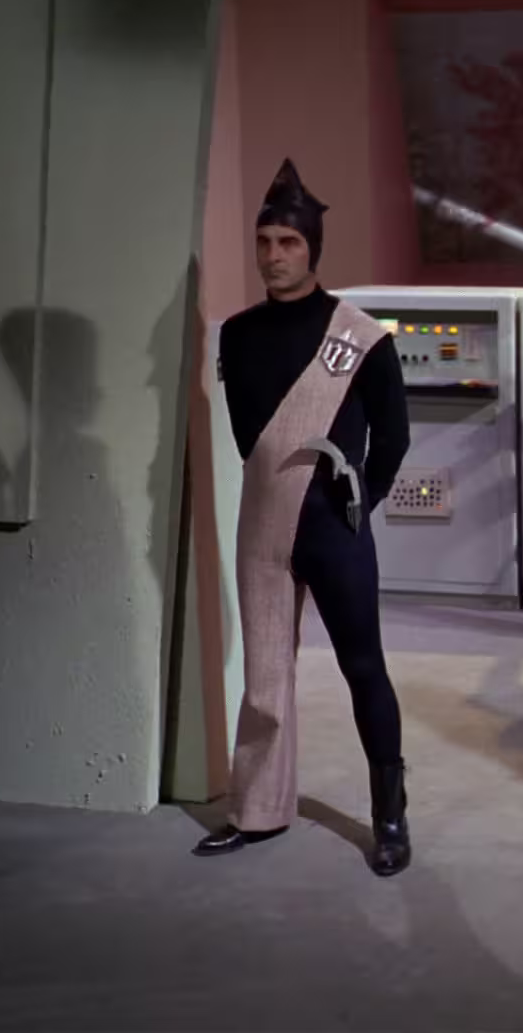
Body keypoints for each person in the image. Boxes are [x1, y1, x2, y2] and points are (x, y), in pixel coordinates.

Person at [193, 159, 413, 877]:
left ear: (312, 248)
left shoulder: (362, 337)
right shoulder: (238, 335)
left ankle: (390, 815)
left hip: (332, 526)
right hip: (263, 520)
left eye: (288, 242)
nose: (273, 256)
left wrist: (360, 502)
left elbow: (394, 437)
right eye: (263, 242)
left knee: (362, 668)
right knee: (263, 677)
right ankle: (257, 809)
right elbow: (245, 435)